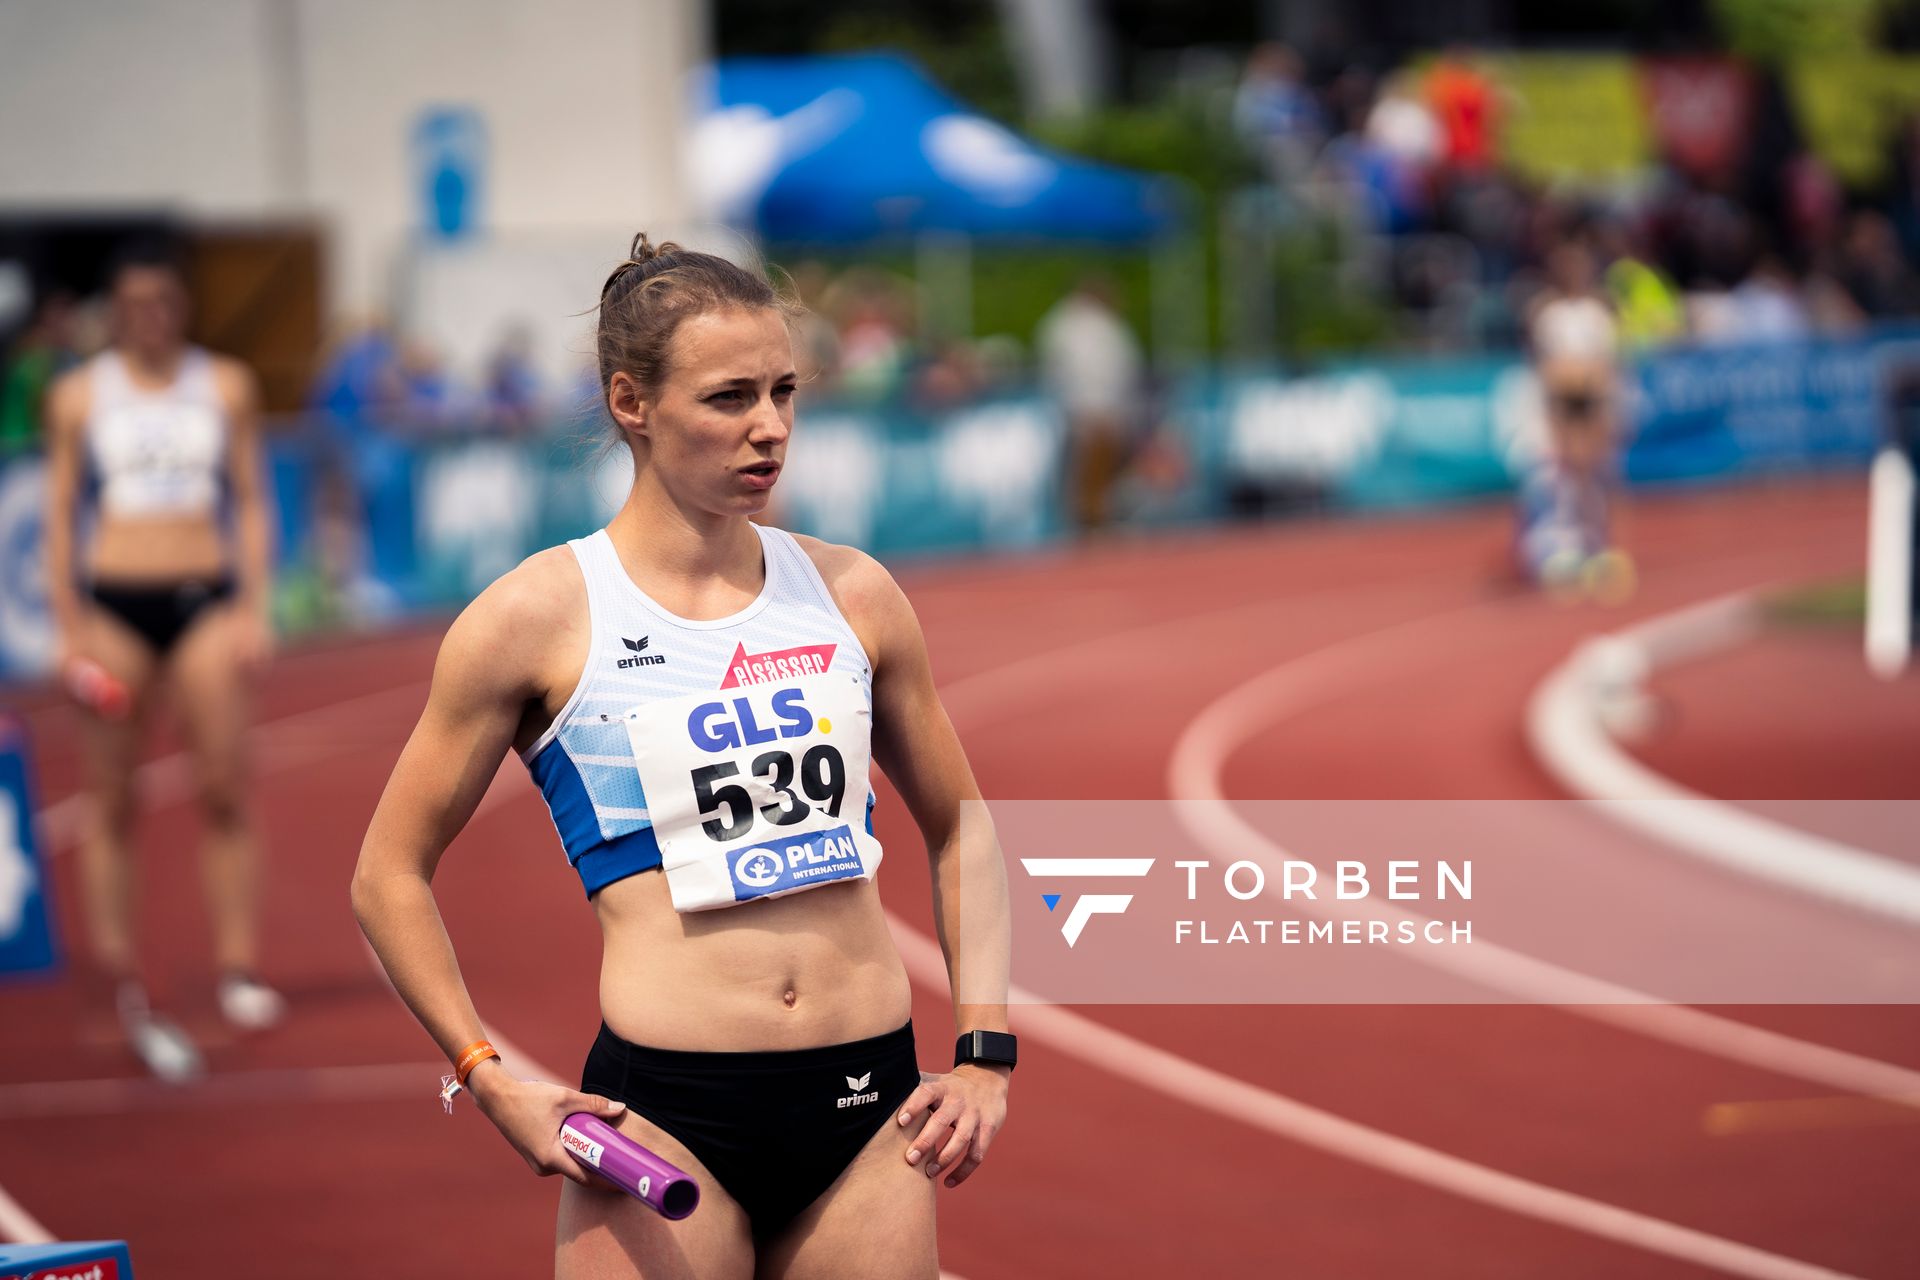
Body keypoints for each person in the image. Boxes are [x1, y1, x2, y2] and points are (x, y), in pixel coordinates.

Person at [351, 234, 1014, 1279]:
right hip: (668, 1115)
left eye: (786, 391)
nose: (771, 427)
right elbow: (386, 873)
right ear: (632, 401)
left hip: (868, 1108)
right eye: (730, 397)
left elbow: (964, 825)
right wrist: (484, 1074)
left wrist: (984, 1050)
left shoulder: (853, 595)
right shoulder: (535, 618)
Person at [41, 242, 282, 1082]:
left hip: (203, 601)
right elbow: (61, 508)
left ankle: (238, 965)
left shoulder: (223, 386)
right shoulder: (78, 395)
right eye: (135, 302)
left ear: (182, 304)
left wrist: (253, 607)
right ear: (116, 309)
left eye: (165, 300)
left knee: (223, 783)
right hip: (114, 605)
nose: (152, 315)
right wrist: (69, 626)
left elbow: (249, 496)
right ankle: (114, 964)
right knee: (111, 799)